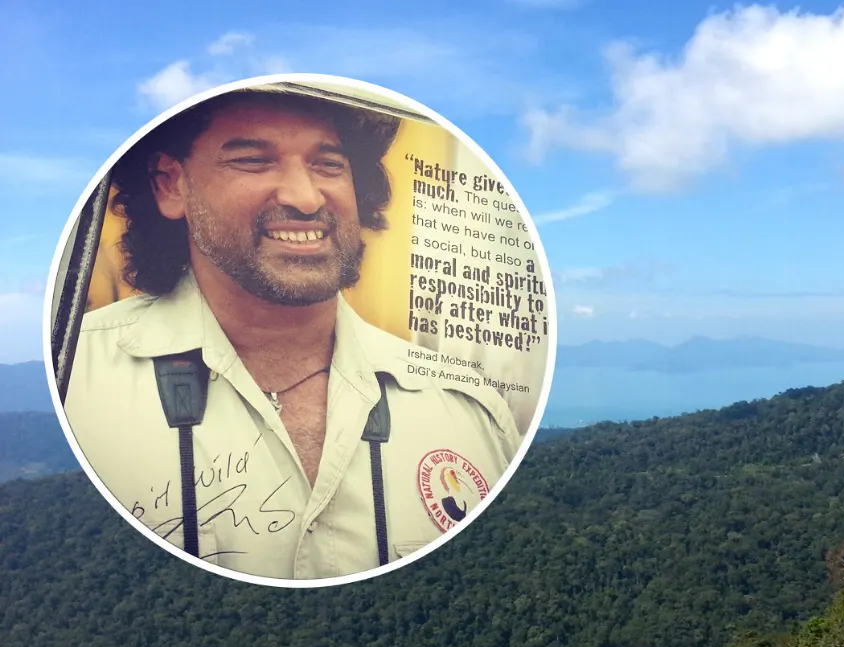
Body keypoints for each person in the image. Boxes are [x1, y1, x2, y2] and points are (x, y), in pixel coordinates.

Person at [62, 88, 523, 580]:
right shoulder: (73, 378)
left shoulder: (469, 411)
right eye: (254, 161)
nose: (305, 198)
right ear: (171, 186)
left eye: (329, 165)